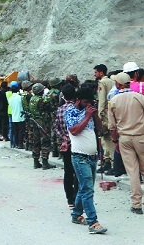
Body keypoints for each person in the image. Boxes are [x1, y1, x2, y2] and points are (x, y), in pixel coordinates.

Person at [65, 87, 107, 234]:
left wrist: (94, 116)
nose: (89, 104)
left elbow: (100, 129)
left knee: (84, 188)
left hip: (92, 157)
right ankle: (93, 222)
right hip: (79, 157)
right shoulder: (70, 111)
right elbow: (74, 131)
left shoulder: (90, 111)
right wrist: (87, 116)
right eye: (86, 101)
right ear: (78, 100)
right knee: (88, 189)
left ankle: (76, 214)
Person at [108, 72, 144, 214]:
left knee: (132, 172)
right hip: (141, 137)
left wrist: (115, 141)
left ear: (118, 84)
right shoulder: (140, 97)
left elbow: (112, 126)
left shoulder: (114, 101)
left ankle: (136, 204)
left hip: (124, 138)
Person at [53, 84, 78, 209]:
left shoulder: (60, 109)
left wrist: (63, 138)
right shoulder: (76, 109)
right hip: (76, 144)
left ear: (63, 96)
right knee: (77, 172)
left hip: (64, 145)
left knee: (68, 171)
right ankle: (78, 197)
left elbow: (55, 127)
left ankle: (70, 200)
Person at [93, 64, 115, 174]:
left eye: (96, 72)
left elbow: (102, 100)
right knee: (109, 137)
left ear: (101, 72)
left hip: (104, 113)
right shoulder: (112, 81)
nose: (94, 74)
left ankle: (110, 161)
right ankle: (108, 161)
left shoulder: (102, 82)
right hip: (111, 111)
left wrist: (99, 114)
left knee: (106, 138)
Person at [29, 83, 55, 169]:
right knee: (45, 141)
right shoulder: (40, 100)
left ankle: (36, 162)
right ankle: (45, 162)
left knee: (36, 142)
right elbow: (48, 107)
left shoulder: (32, 98)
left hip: (34, 122)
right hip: (42, 123)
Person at [8, 81, 26, 149]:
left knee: (16, 131)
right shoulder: (20, 97)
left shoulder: (10, 98)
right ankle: (20, 144)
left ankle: (16, 143)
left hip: (14, 117)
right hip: (21, 117)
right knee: (21, 131)